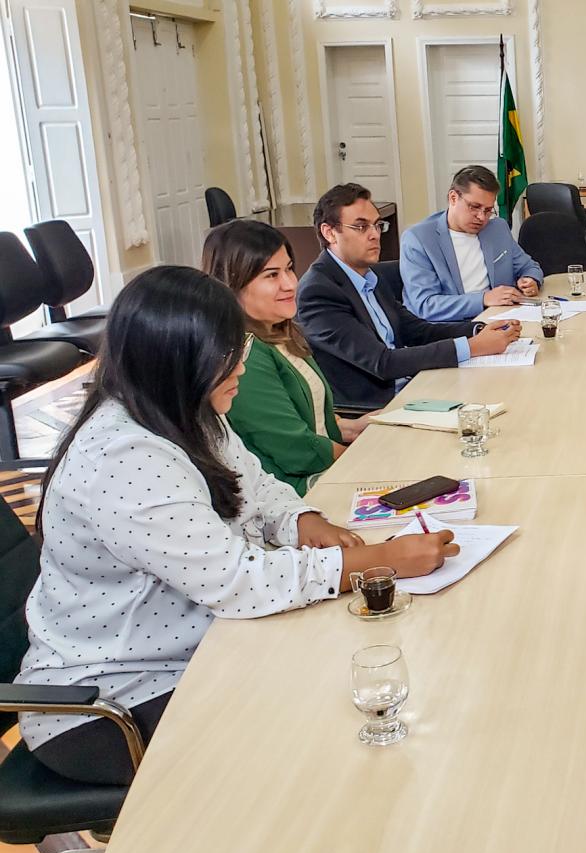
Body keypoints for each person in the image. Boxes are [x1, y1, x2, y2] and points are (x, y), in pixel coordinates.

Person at [15, 266, 461, 785]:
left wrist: (304, 520)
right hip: (111, 702)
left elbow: (256, 486)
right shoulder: (123, 456)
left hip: (200, 653)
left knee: (354, 678)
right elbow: (238, 582)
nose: (242, 368)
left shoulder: (186, 407)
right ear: (177, 360)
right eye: (229, 357)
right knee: (330, 732)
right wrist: (378, 560)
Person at [296, 183, 521, 409]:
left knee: (508, 393)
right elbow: (382, 362)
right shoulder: (319, 291)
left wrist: (479, 330)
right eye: (361, 227)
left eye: (376, 225)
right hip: (375, 407)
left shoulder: (369, 276)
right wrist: (473, 347)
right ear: (329, 233)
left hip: (410, 386)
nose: (375, 235)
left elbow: (417, 331)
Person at [202, 220, 370, 494]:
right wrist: (369, 459)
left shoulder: (281, 333)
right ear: (233, 284)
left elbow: (316, 424)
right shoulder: (244, 354)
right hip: (295, 493)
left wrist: (363, 427)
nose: (290, 284)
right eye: (271, 275)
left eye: (289, 269)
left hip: (325, 470)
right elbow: (295, 449)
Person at [400, 165, 544, 322]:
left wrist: (530, 280)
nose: (482, 217)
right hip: (449, 330)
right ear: (453, 198)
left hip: (500, 319)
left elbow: (529, 267)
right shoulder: (418, 239)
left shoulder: (497, 228)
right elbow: (426, 305)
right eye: (474, 207)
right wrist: (483, 299)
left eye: (488, 210)